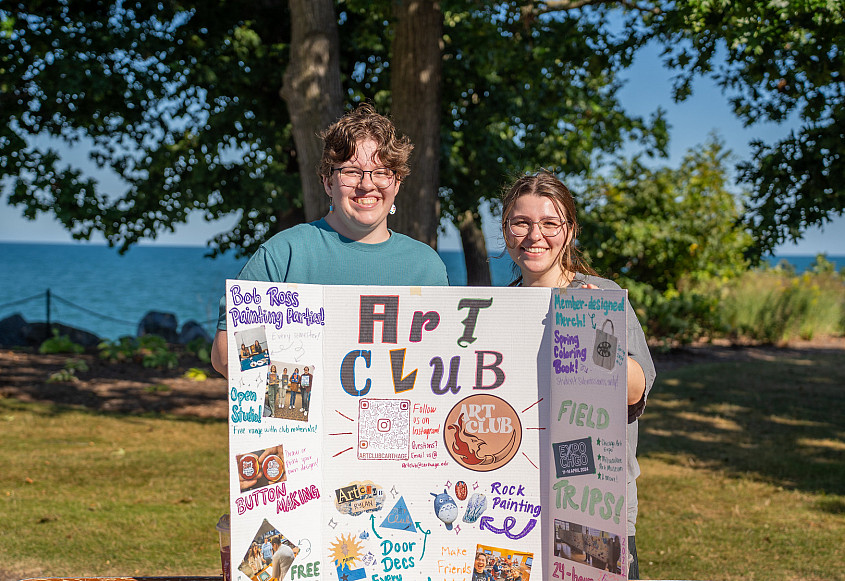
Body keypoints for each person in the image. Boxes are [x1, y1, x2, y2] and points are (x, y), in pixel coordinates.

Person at [211, 103, 449, 378]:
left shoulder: (426, 266)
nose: (366, 184)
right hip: (301, 417)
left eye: (381, 172)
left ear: (396, 183)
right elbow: (227, 355)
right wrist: (299, 385)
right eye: (351, 171)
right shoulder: (284, 254)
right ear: (327, 182)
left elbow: (437, 366)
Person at [500, 170, 656, 579]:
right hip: (509, 502)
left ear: (569, 232)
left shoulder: (599, 296)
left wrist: (592, 332)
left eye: (550, 223)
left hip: (592, 505)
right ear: (505, 230)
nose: (535, 235)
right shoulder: (496, 308)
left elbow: (635, 391)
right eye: (522, 222)